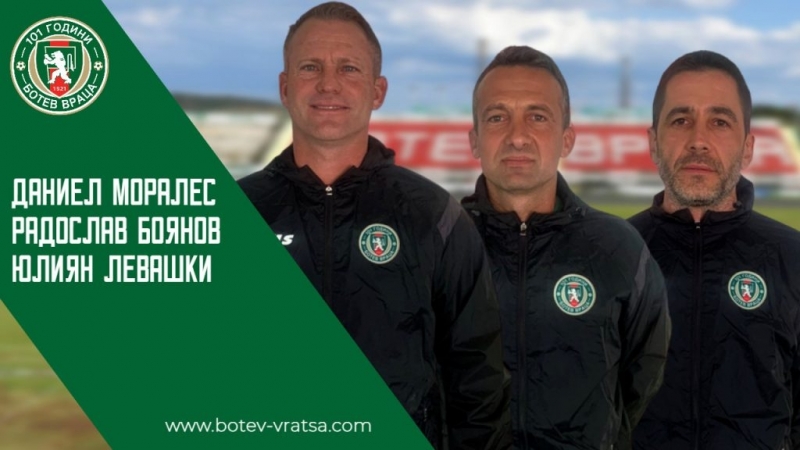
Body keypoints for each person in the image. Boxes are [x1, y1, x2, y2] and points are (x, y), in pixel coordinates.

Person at [237, 2, 511, 448]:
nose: (328, 83)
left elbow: (477, 381)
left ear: (378, 90)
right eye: (310, 67)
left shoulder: (435, 216)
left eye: (348, 68)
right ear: (285, 88)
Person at [461, 45, 671, 450]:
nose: (517, 136)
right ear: (474, 140)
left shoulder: (618, 247)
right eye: (497, 117)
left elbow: (642, 375)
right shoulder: (439, 244)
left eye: (537, 117)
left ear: (567, 139)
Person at [630, 50, 800, 449]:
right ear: (653, 143)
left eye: (719, 122)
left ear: (748, 147)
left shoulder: (793, 258)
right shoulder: (612, 254)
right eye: (681, 120)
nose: (698, 141)